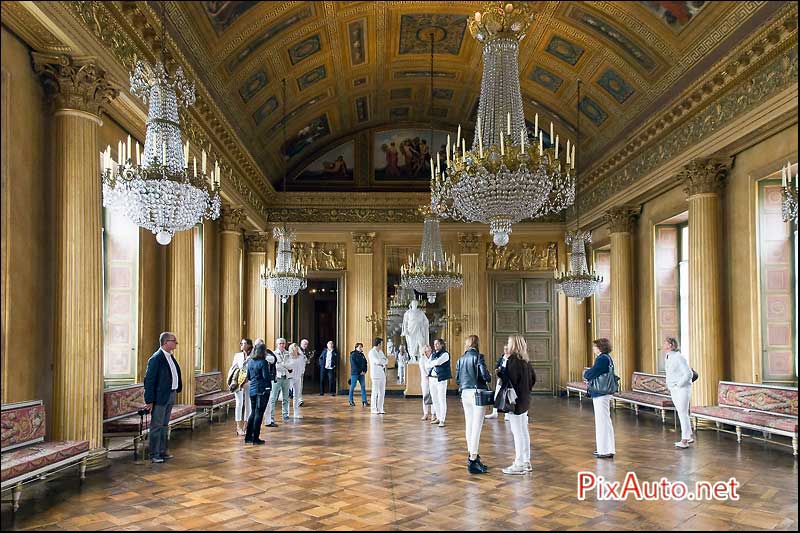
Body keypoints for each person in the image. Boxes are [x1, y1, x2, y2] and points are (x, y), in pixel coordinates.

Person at [143, 332, 183, 464]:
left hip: (170, 394)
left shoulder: (170, 356)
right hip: (160, 397)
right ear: (166, 342)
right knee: (157, 425)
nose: (176, 343)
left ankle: (162, 451)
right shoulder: (156, 358)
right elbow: (149, 381)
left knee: (165, 425)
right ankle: (154, 454)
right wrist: (149, 400)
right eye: (174, 341)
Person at [499, 336, 535, 475]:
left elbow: (509, 380)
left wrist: (502, 369)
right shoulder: (525, 360)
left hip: (515, 400)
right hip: (525, 399)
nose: (507, 345)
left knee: (517, 432)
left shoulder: (513, 360)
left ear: (513, 345)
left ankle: (519, 463)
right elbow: (533, 378)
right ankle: (526, 461)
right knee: (523, 430)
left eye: (509, 343)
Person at [456, 335, 491, 474]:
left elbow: (458, 379)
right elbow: (485, 376)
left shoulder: (460, 359)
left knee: (469, 425)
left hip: (465, 393)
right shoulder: (478, 357)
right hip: (478, 393)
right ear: (477, 344)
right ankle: (473, 458)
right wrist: (489, 375)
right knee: (477, 426)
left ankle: (472, 455)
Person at [584, 338, 616, 459]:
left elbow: (592, 373)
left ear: (600, 347)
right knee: (605, 421)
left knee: (602, 421)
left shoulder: (602, 358)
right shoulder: (607, 357)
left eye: (595, 346)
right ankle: (608, 448)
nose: (593, 348)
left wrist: (586, 374)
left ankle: (604, 450)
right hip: (604, 393)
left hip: (601, 393)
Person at [664, 337, 694, 449]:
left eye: (666, 343)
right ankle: (689, 436)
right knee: (682, 412)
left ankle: (684, 440)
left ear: (671, 345)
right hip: (674, 389)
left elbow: (688, 374)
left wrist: (678, 385)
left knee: (682, 413)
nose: (664, 346)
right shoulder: (668, 357)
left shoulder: (679, 357)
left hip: (682, 389)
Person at [244, 344, 275, 445]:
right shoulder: (263, 362)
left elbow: (248, 376)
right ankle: (256, 438)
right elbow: (266, 377)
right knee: (259, 413)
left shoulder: (250, 361)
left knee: (253, 413)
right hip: (262, 390)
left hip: (252, 389)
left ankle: (248, 437)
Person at [227, 338, 253, 436]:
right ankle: (238, 427)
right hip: (239, 382)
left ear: (249, 345)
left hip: (249, 381)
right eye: (240, 343)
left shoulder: (253, 355)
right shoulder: (237, 355)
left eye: (243, 343)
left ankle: (246, 426)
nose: (241, 344)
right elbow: (234, 368)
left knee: (248, 404)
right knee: (239, 403)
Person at [265, 338, 291, 427]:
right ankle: (271, 417)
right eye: (280, 343)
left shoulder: (288, 353)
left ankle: (285, 414)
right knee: (273, 398)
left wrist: (284, 365)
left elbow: (291, 365)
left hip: (286, 377)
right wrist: (286, 366)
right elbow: (276, 367)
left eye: (283, 343)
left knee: (286, 397)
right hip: (277, 377)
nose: (282, 345)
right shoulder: (273, 354)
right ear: (277, 344)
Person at [428, 338, 451, 427]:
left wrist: (432, 363)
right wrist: (432, 363)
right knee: (434, 399)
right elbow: (427, 364)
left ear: (442, 345)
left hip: (441, 379)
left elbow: (438, 362)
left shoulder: (445, 354)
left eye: (437, 344)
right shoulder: (433, 354)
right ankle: (438, 417)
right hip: (432, 379)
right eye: (434, 344)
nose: (435, 345)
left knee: (441, 399)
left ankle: (442, 419)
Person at [485, 344, 511, 422]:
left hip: (508, 381)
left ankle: (507, 414)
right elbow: (496, 366)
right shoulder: (502, 358)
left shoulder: (512, 359)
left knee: (506, 397)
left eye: (507, 349)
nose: (505, 351)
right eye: (504, 349)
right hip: (500, 380)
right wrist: (497, 370)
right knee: (496, 395)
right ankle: (494, 412)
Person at [368, 337, 388, 414]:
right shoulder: (371, 352)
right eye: (381, 344)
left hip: (382, 374)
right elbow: (377, 361)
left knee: (382, 392)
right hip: (375, 375)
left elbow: (386, 360)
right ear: (379, 344)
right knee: (375, 392)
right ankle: (373, 408)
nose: (382, 346)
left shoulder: (380, 352)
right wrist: (382, 362)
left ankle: (380, 408)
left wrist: (382, 363)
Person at [287, 343, 306, 419]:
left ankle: (296, 413)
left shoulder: (301, 357)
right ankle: (287, 412)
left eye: (296, 347)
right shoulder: (289, 356)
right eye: (294, 347)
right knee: (288, 396)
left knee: (296, 395)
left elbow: (303, 365)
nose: (296, 348)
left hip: (298, 377)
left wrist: (301, 372)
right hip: (290, 378)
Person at [419, 344, 436, 422]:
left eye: (429, 347)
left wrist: (432, 375)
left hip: (433, 379)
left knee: (433, 396)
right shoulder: (422, 359)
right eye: (426, 347)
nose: (428, 348)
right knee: (425, 396)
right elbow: (423, 370)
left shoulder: (434, 357)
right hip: (425, 379)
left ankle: (433, 414)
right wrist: (428, 376)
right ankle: (425, 413)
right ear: (424, 350)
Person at [349, 343, 368, 407]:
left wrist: (364, 371)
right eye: (360, 347)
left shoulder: (362, 355)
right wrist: (360, 371)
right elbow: (354, 365)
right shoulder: (353, 355)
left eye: (361, 347)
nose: (361, 348)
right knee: (352, 387)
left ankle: (364, 400)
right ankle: (350, 400)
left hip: (362, 373)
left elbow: (365, 363)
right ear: (356, 347)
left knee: (363, 387)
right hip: (355, 373)